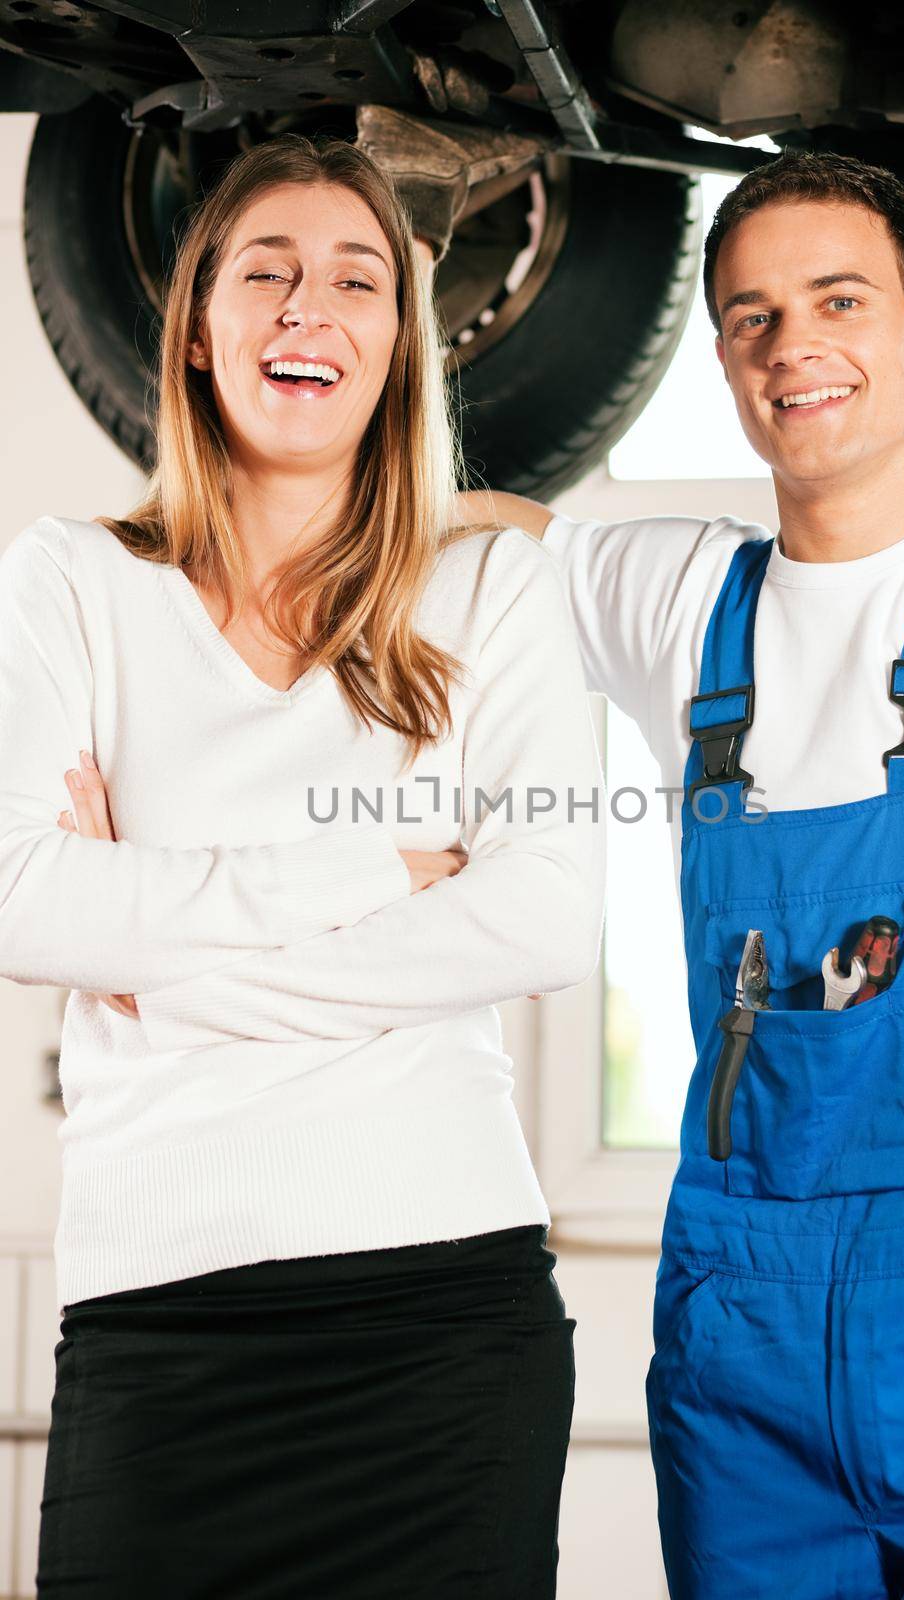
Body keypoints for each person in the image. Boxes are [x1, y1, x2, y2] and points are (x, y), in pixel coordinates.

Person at [0, 132, 605, 1599]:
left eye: (355, 281)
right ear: (196, 332)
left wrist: (169, 960)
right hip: (159, 1321)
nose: (304, 311)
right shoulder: (73, 580)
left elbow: (542, 917)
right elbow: (28, 897)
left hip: (440, 1315)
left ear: (399, 347)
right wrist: (375, 872)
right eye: (263, 275)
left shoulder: (487, 586)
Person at [461, 152, 904, 1598]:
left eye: (839, 300)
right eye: (751, 317)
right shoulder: (681, 602)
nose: (791, 344)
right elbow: (473, 534)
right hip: (745, 1377)